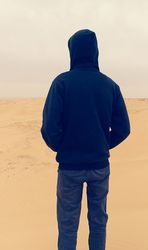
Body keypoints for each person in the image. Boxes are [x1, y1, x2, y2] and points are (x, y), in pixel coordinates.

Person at [40, 28, 131, 250]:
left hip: (70, 167)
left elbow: (49, 128)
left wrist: (64, 146)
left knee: (68, 227)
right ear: (95, 52)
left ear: (72, 52)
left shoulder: (61, 83)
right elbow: (123, 128)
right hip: (99, 166)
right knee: (99, 223)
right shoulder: (110, 85)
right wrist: (101, 143)